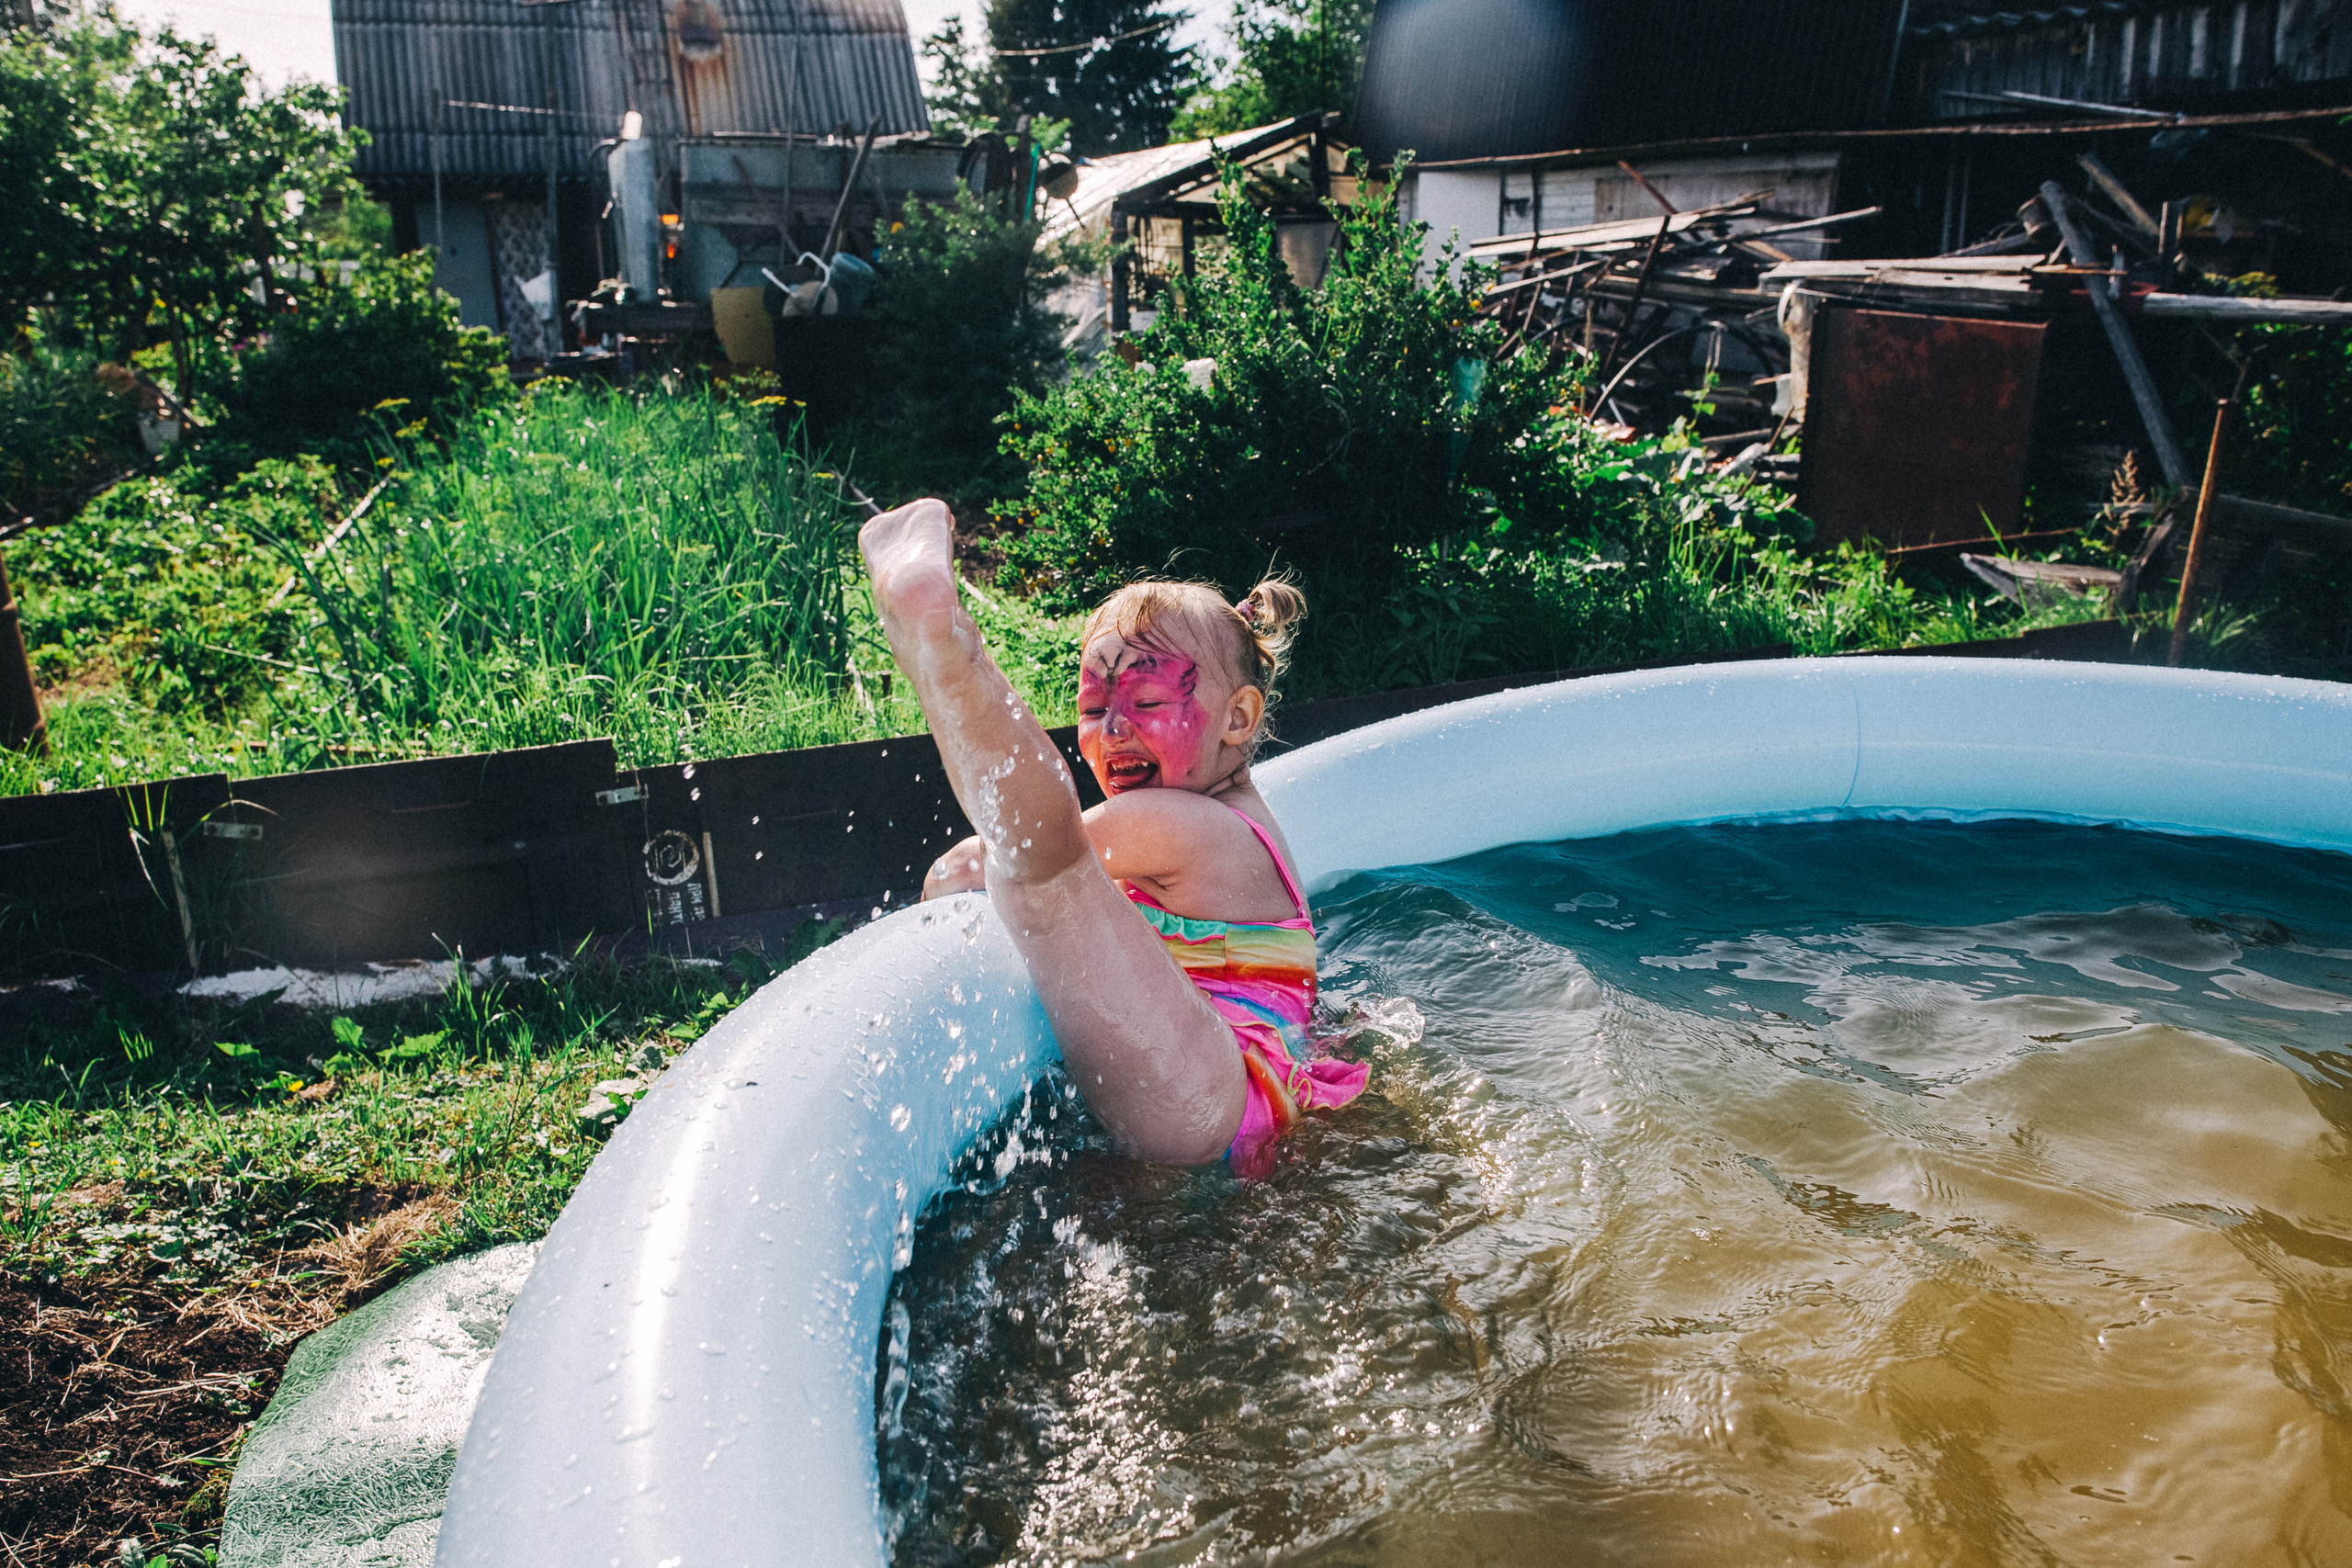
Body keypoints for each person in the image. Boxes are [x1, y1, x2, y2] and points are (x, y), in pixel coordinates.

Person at [860, 498, 1368, 1174]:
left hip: (1212, 1095)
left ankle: (946, 649)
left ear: (1238, 719)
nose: (1115, 727)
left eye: (1150, 702)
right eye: (1095, 707)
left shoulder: (1179, 824)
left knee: (1042, 868)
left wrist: (959, 875)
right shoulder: (1235, 822)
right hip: (1243, 1110)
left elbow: (997, 858)